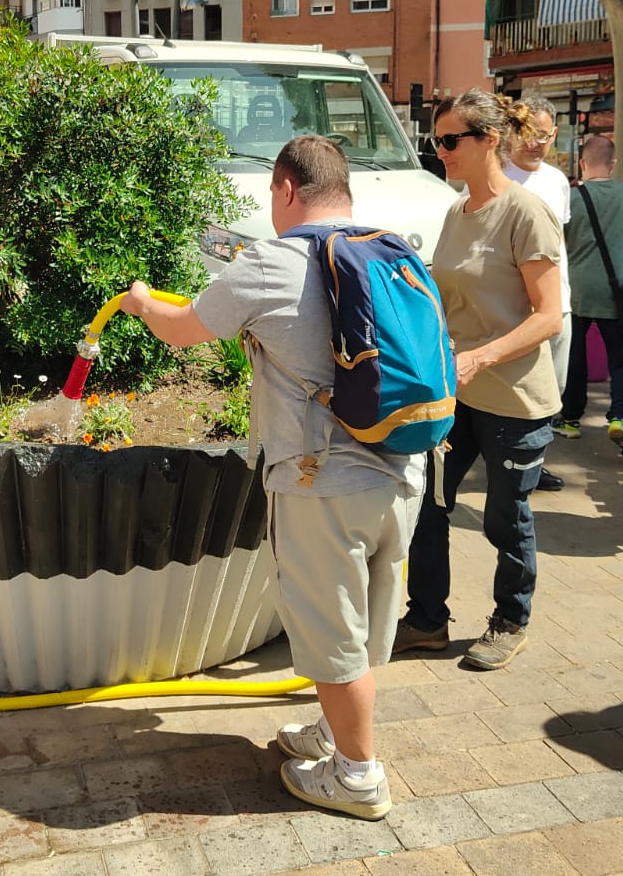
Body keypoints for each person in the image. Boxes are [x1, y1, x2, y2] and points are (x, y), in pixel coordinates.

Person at [120, 135, 425, 820]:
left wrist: (141, 302)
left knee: (332, 633)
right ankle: (335, 733)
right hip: (403, 468)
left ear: (287, 189)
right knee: (362, 625)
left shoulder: (271, 262)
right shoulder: (392, 249)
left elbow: (181, 329)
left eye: (272, 195)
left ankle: (357, 776)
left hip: (325, 483)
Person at [396, 90, 563, 670]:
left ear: (489, 140)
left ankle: (510, 621)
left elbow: (549, 316)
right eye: (435, 140)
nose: (440, 150)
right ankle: (426, 621)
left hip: (514, 398)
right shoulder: (456, 210)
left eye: (450, 140)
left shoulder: (525, 213)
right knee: (427, 505)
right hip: (455, 391)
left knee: (505, 518)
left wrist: (479, 358)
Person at [555, 134, 623, 458]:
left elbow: (561, 242)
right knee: (622, 360)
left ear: (582, 163)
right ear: (613, 164)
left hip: (577, 289)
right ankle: (621, 418)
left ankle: (570, 419)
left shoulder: (571, 198)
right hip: (619, 291)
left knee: (574, 357)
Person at [503, 92, 571, 493]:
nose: (534, 143)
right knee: (512, 396)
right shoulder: (497, 179)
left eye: (542, 135)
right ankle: (506, 462)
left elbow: (559, 242)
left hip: (558, 306)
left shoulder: (558, 181)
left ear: (554, 135)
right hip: (513, 310)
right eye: (527, 133)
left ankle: (535, 462)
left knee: (551, 392)